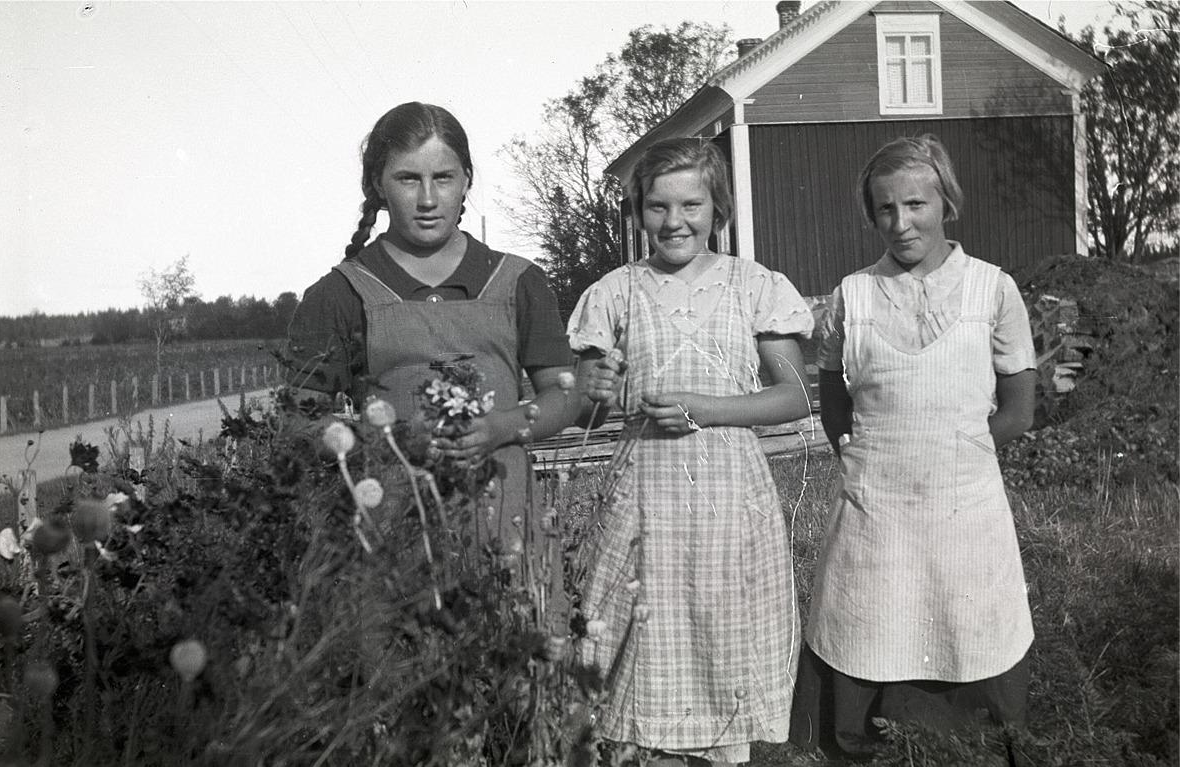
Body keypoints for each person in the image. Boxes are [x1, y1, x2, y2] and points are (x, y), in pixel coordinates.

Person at [789, 134, 1037, 758]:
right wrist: (860, 451)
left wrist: (962, 452)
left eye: (916, 205)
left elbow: (1019, 407)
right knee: (868, 628)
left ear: (946, 202)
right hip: (878, 512)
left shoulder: (992, 290)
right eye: (884, 210)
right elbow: (830, 382)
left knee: (967, 628)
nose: (901, 224)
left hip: (966, 509)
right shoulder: (854, 296)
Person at [569, 137, 814, 767]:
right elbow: (590, 403)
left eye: (691, 205)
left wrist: (706, 409)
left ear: (718, 207)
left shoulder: (755, 285)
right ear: (638, 211)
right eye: (657, 206)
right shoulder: (615, 292)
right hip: (644, 498)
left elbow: (791, 399)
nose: (674, 221)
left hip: (730, 500)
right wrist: (595, 388)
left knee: (722, 634)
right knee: (639, 640)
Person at [284, 101, 580, 603]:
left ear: (466, 180)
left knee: (514, 660)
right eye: (406, 179)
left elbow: (567, 396)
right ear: (377, 184)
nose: (427, 199)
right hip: (394, 527)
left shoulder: (519, 282)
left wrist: (500, 427)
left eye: (443, 178)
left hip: (505, 518)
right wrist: (387, 441)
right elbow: (296, 421)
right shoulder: (339, 294)